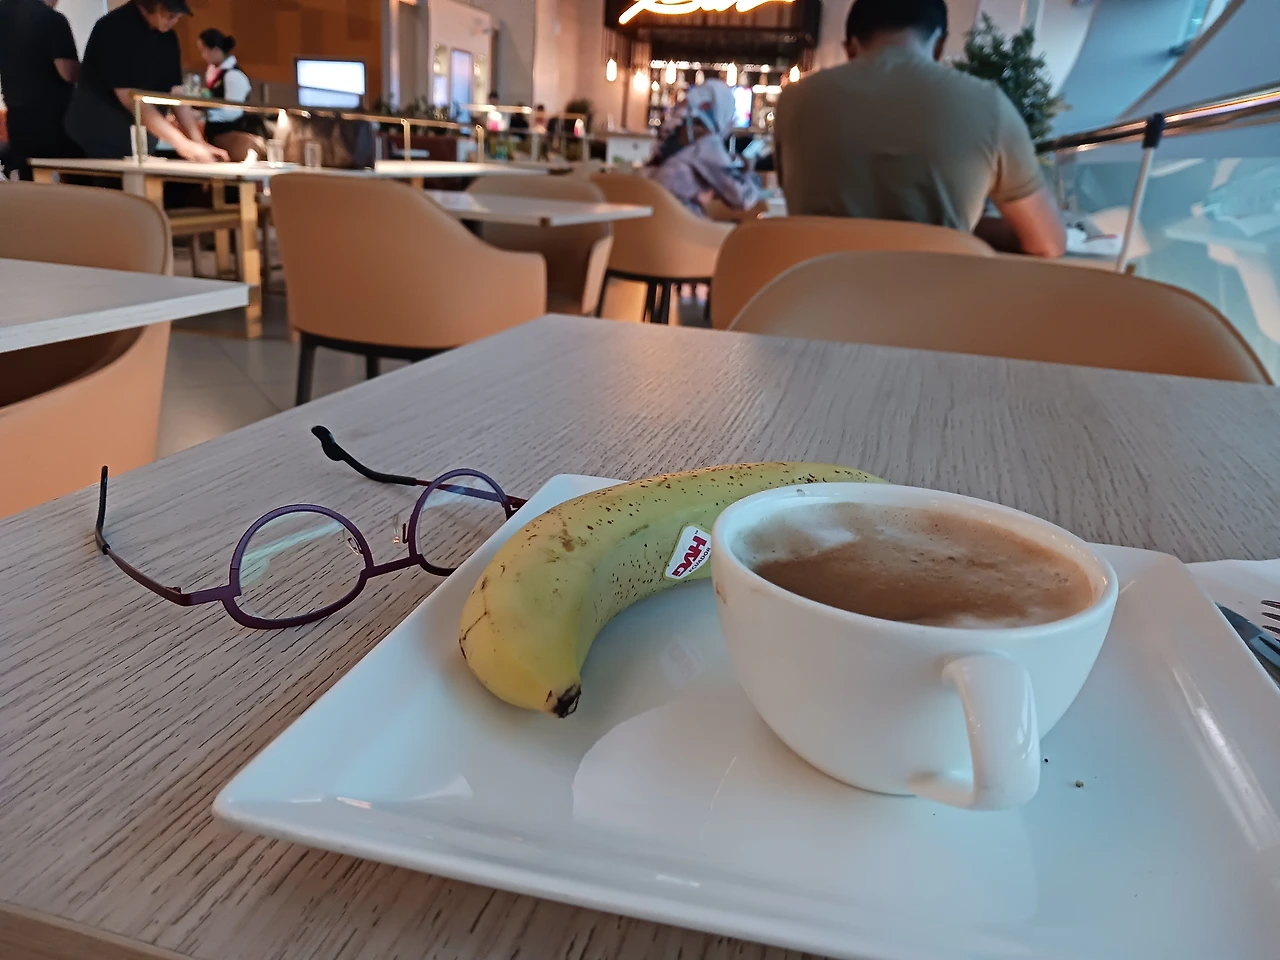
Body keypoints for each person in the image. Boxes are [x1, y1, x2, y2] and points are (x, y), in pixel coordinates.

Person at [774, 0, 1065, 257]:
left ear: (849, 48)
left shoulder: (794, 101)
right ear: (939, 45)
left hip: (813, 297)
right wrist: (956, 230)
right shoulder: (988, 103)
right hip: (936, 299)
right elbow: (1047, 244)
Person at [65, 0, 227, 162]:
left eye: (177, 16)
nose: (175, 20)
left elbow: (176, 92)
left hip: (137, 141)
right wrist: (183, 144)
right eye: (170, 15)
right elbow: (131, 98)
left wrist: (198, 142)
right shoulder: (114, 28)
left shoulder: (167, 37)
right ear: (150, 5)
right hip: (96, 138)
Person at [648, 79, 761, 218]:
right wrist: (751, 174)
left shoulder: (668, 132)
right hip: (681, 224)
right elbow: (742, 198)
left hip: (653, 219)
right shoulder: (705, 141)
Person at [0, 0, 81, 179]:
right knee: (75, 180)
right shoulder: (52, 19)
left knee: (32, 183)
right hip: (55, 120)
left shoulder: (4, 15)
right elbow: (67, 72)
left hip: (18, 120)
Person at [197, 28, 257, 142]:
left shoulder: (233, 76)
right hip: (215, 134)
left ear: (215, 50)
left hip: (232, 135)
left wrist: (204, 116)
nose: (202, 56)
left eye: (203, 50)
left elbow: (233, 112)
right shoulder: (213, 72)